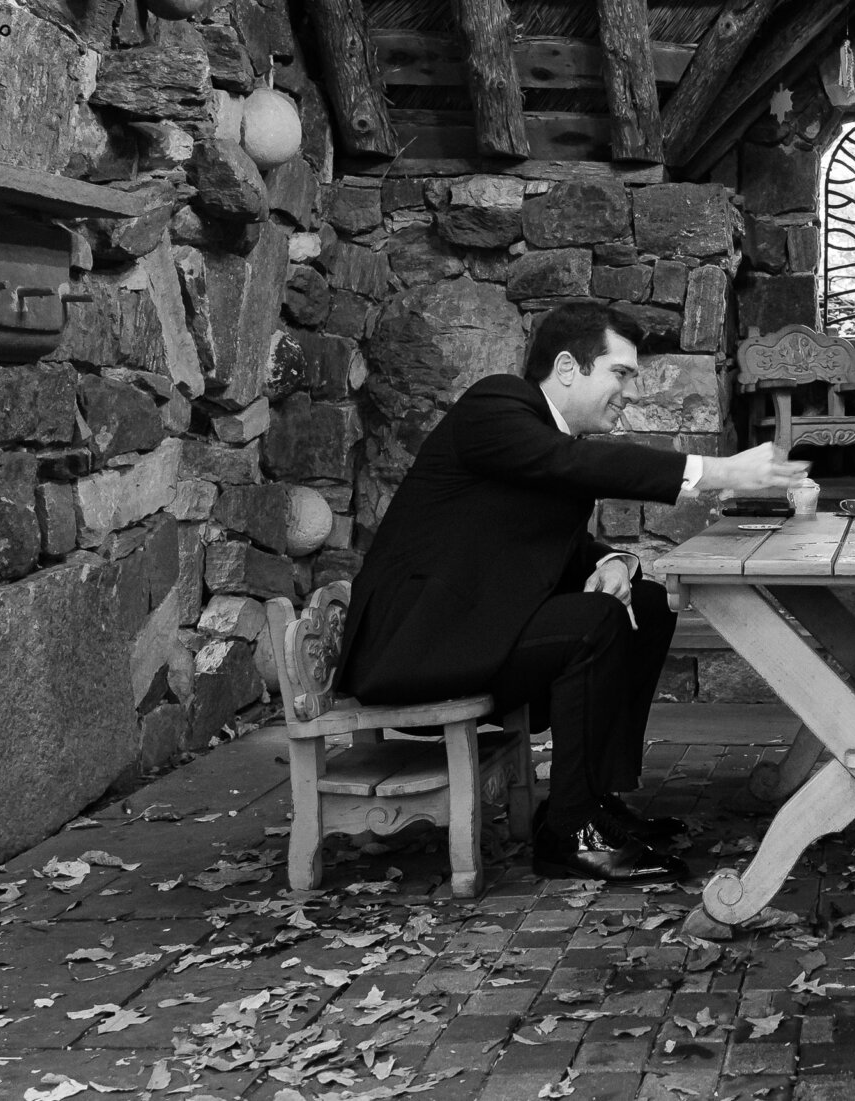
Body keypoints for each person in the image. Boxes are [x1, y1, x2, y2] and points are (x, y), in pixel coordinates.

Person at [336, 302, 809, 883]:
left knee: (647, 605)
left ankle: (595, 801)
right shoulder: (495, 404)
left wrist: (613, 560)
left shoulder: (544, 438)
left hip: (474, 630)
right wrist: (720, 473)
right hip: (417, 645)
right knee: (593, 624)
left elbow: (536, 533)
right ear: (567, 367)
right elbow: (566, 465)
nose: (630, 392)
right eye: (621, 373)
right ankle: (569, 833)